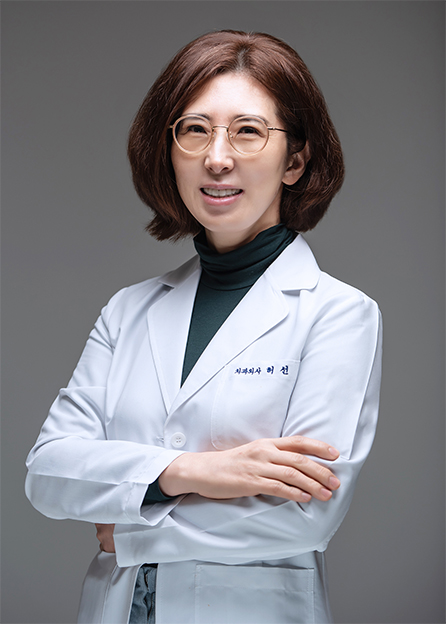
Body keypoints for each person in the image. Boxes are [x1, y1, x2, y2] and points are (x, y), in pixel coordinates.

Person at [25, 30, 382, 624]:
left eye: (248, 131)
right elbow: (48, 472)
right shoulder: (128, 310)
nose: (217, 158)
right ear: (169, 152)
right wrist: (192, 472)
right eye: (194, 130)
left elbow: (305, 516)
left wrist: (130, 527)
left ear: (295, 160)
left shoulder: (338, 314)